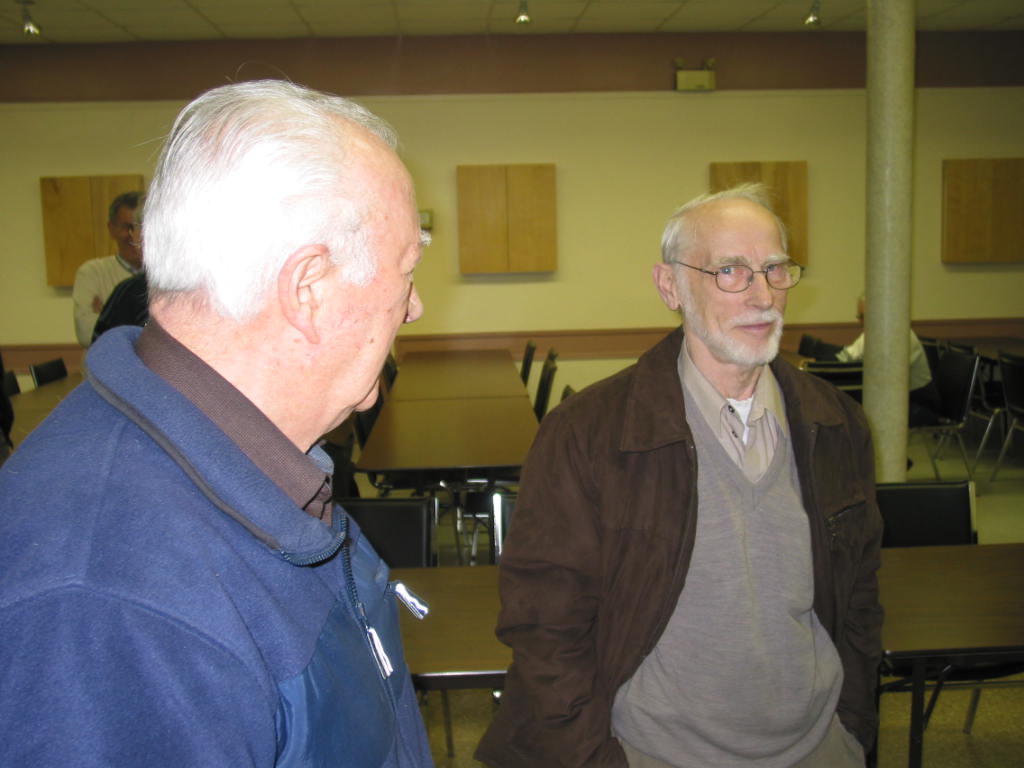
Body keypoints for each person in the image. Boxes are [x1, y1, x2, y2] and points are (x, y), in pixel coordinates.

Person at [1, 80, 433, 767]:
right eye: (405, 270)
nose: (413, 307)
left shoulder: (247, 466)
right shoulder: (108, 607)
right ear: (309, 289)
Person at [477, 183, 883, 768]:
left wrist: (852, 727)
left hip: (819, 746)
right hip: (651, 752)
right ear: (670, 286)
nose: (762, 295)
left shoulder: (836, 424)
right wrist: (593, 758)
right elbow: (543, 622)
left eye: (774, 269)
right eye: (730, 271)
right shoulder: (588, 434)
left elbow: (860, 591)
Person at [807, 295, 941, 426]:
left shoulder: (900, 335)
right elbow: (844, 357)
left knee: (855, 415)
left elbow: (887, 382)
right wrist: (816, 358)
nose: (859, 321)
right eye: (859, 316)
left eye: (862, 316)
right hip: (895, 401)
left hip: (918, 404)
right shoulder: (874, 333)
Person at [71, 190, 144, 346]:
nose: (132, 235)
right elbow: (86, 334)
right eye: (127, 227)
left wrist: (109, 316)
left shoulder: (166, 279)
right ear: (111, 228)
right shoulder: (92, 272)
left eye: (139, 227)